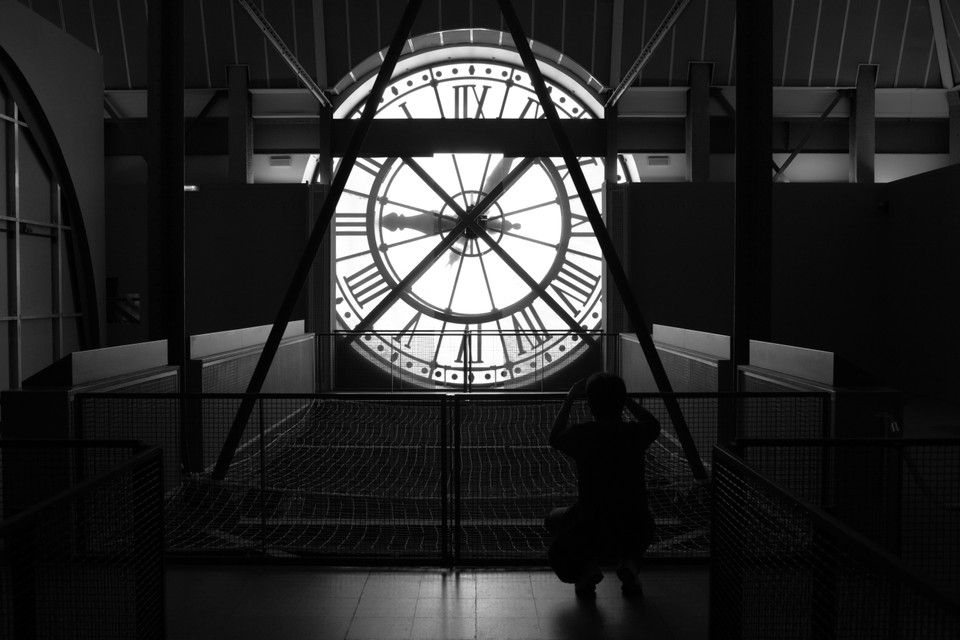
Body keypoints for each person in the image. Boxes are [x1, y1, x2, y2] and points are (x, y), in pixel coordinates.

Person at [545, 372, 660, 598]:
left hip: (591, 523)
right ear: (621, 401)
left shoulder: (584, 434)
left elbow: (555, 437)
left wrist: (569, 398)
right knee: (640, 523)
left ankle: (585, 571)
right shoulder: (634, 434)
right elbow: (652, 424)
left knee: (554, 520)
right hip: (635, 524)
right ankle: (629, 565)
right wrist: (624, 398)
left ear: (590, 404)